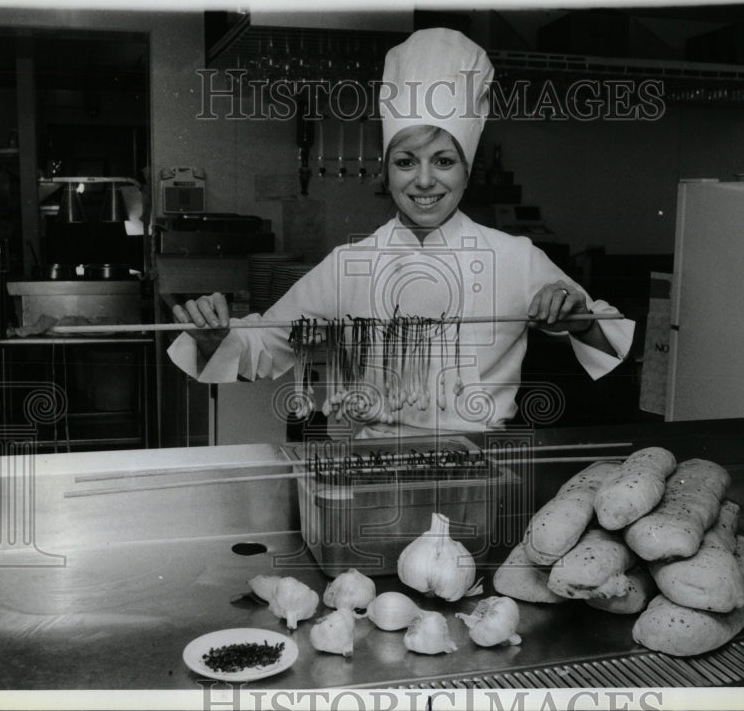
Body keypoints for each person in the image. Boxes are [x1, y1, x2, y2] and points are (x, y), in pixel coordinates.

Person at [169, 28, 635, 438]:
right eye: (406, 162)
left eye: (444, 162)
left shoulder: (515, 257)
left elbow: (607, 343)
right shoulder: (349, 264)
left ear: (466, 172)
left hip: (480, 462)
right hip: (370, 465)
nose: (425, 181)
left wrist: (579, 320)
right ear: (385, 172)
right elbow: (264, 346)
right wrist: (213, 334)